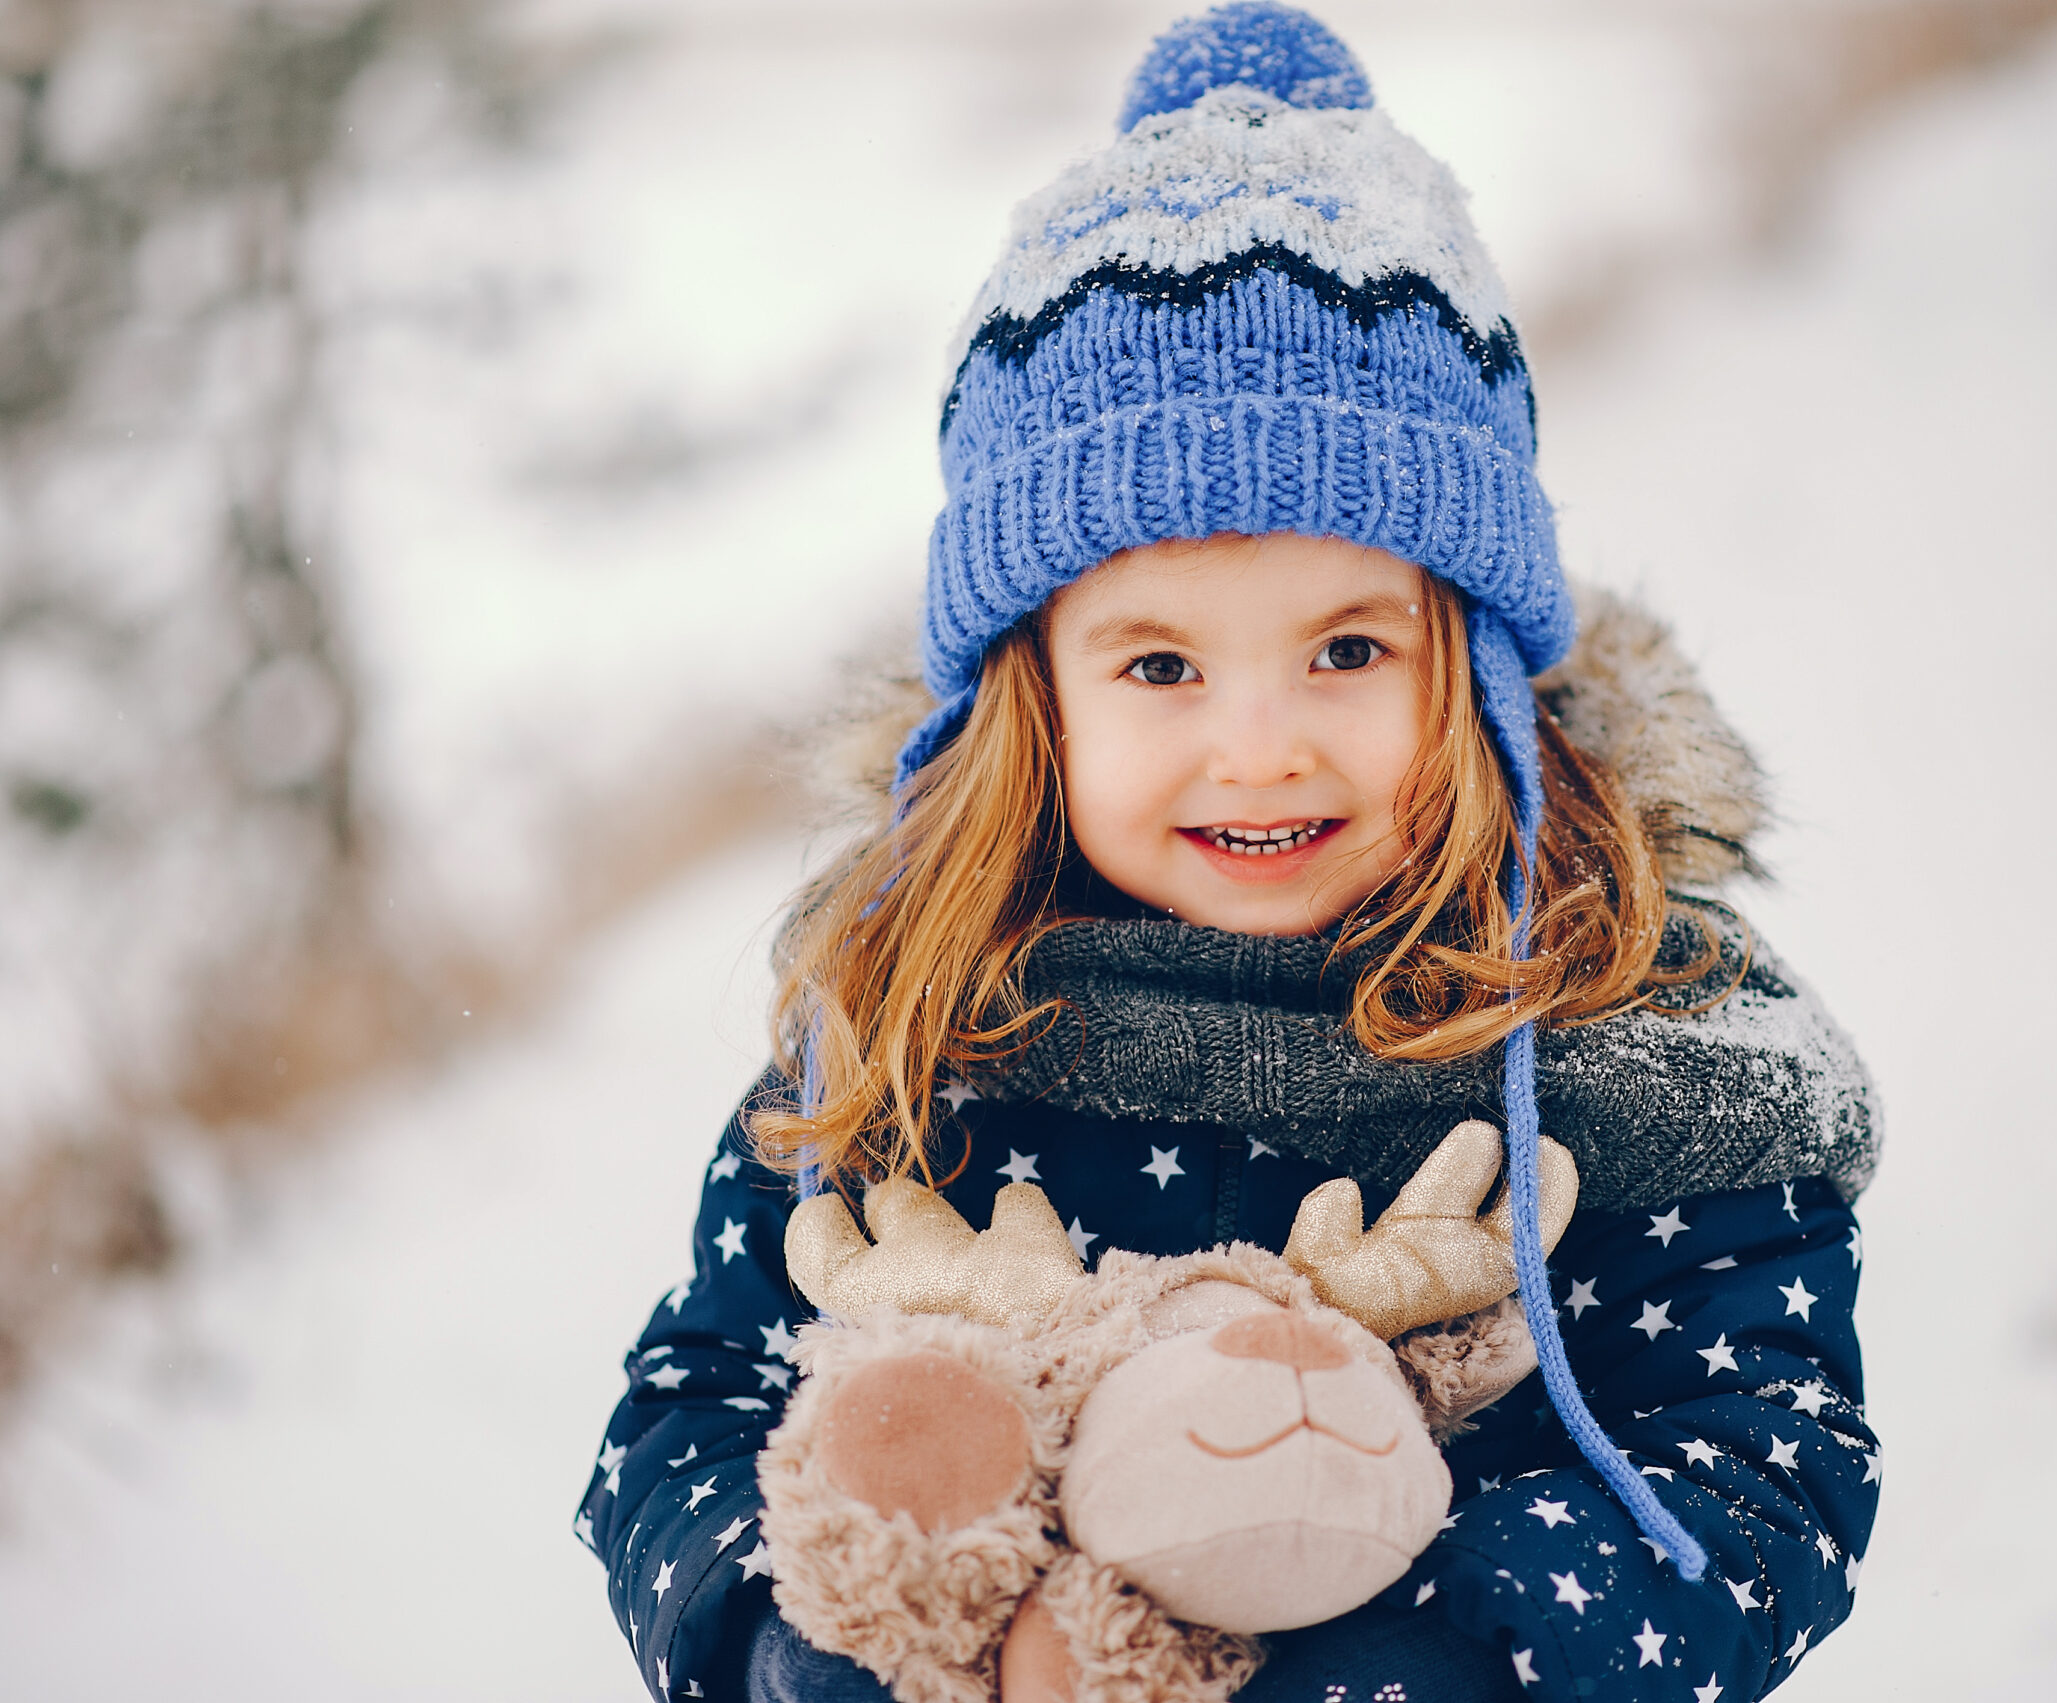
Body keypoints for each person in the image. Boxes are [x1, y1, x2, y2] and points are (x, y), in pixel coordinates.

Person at [574, 7, 1882, 1699]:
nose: (1259, 746)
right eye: (1162, 666)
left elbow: (1753, 1477)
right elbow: (700, 1417)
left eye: (1348, 651)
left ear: (1472, 665)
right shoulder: (919, 1014)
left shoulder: (1622, 1022)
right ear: (1034, 691)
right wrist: (820, 1663)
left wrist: (1353, 1677)